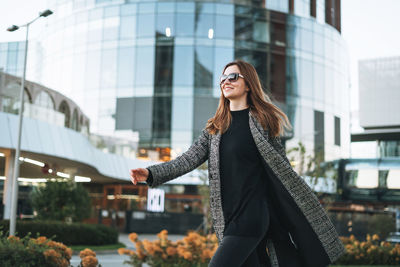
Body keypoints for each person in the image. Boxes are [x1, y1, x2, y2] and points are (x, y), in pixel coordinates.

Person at [130, 60, 345, 267]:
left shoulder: (262, 123)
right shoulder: (215, 129)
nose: (226, 81)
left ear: (249, 84)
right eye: (222, 78)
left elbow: (282, 169)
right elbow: (188, 159)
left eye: (232, 76)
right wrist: (150, 173)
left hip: (252, 217)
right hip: (228, 218)